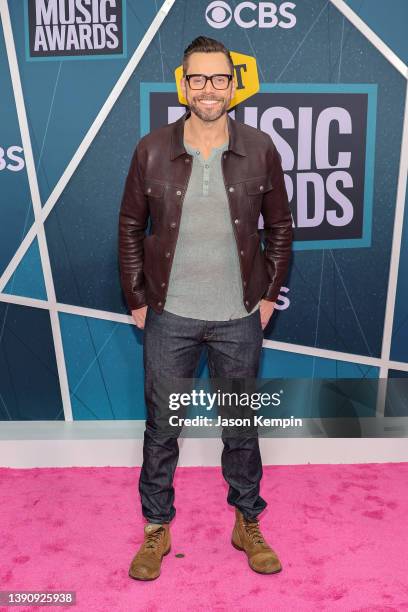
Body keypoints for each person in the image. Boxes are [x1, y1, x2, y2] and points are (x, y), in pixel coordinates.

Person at [118, 35, 293, 581]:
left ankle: (247, 520)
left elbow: (282, 230)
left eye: (220, 78)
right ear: (183, 85)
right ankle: (156, 526)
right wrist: (138, 299)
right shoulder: (151, 150)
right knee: (162, 429)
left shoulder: (261, 148)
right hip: (170, 315)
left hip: (239, 316)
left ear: (234, 85)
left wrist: (267, 297)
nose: (209, 89)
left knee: (240, 428)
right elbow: (128, 229)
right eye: (198, 79)